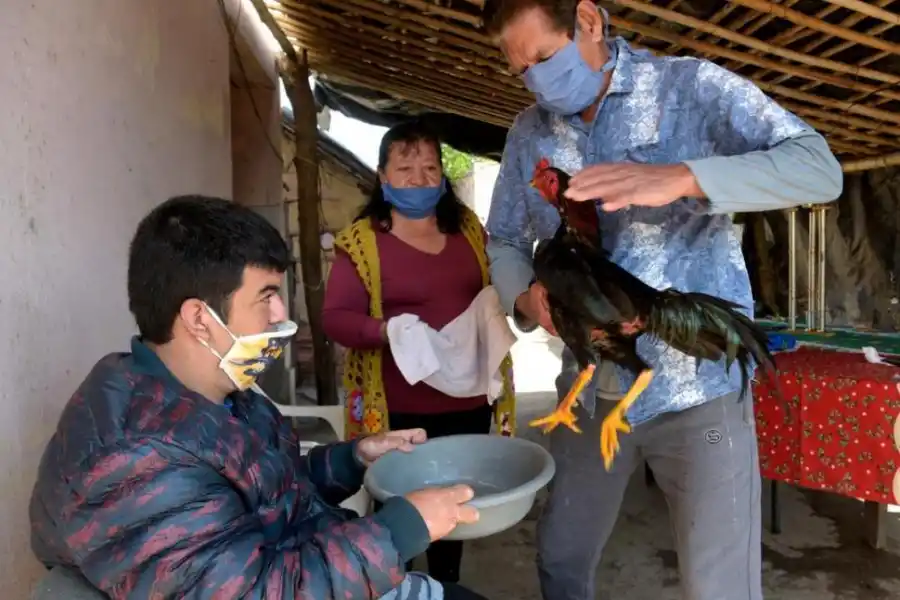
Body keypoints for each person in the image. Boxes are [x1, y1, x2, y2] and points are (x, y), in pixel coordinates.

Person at [480, 1, 843, 599]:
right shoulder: (529, 134)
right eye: (522, 69)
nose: (537, 81)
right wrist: (526, 297)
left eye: (544, 57)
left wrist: (681, 177)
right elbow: (505, 238)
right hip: (589, 388)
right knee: (561, 558)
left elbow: (818, 168)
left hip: (696, 389)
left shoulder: (689, 88)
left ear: (588, 21)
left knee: (718, 585)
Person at [29, 195, 491, 600]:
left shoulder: (216, 392)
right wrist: (400, 530)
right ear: (199, 319)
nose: (280, 314)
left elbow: (266, 493)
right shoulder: (139, 460)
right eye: (266, 296)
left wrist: (352, 459)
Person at [322, 121, 516, 584]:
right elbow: (335, 319)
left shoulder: (470, 231)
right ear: (382, 176)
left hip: (468, 400)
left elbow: (501, 284)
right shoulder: (362, 243)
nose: (419, 179)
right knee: (399, 514)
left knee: (457, 506)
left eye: (430, 168)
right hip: (398, 410)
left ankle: (446, 586)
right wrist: (386, 330)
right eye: (405, 169)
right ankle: (397, 587)